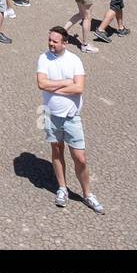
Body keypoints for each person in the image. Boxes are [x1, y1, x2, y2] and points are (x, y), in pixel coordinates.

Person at [36, 26, 104, 212]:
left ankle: (87, 194)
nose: (50, 43)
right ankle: (62, 188)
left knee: (80, 158)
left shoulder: (75, 61)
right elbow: (41, 84)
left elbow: (79, 88)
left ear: (65, 43)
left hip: (71, 117)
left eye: (55, 41)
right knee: (57, 150)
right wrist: (66, 83)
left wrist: (53, 87)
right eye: (49, 40)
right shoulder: (43, 58)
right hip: (49, 114)